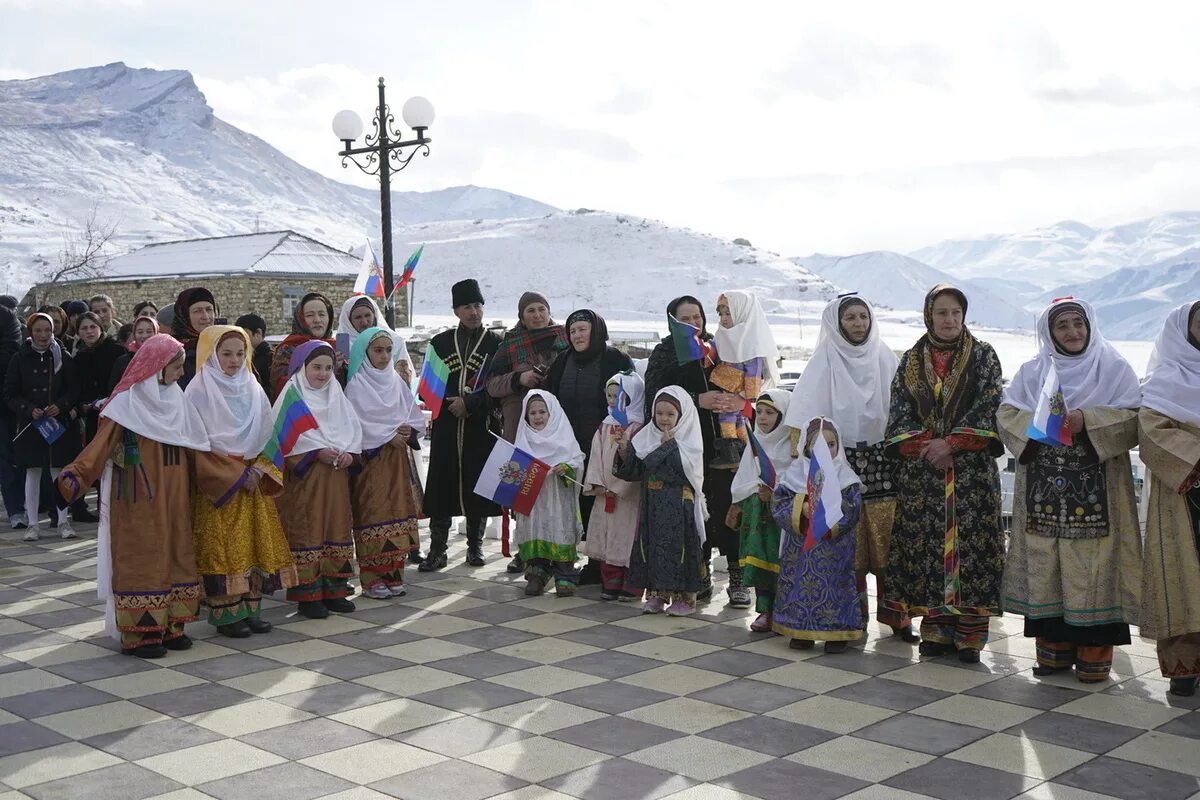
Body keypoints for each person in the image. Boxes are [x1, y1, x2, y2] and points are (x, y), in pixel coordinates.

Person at [56, 334, 247, 658]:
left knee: (176, 551)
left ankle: (172, 625)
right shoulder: (127, 405)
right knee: (142, 555)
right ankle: (141, 634)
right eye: (174, 366)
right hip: (136, 496)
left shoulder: (179, 401)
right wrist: (74, 476)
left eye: (180, 366)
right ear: (155, 366)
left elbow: (196, 450)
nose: (179, 372)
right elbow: (100, 447)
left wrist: (229, 473)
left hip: (175, 496)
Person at [1000, 298, 1142, 683]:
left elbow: (1133, 416)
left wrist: (1087, 420)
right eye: (1062, 326)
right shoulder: (1033, 372)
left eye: (1078, 323)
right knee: (1048, 569)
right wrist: (1044, 423)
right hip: (1043, 491)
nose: (1072, 332)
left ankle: (1094, 657)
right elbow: (1007, 414)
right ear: (1049, 332)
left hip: (1099, 490)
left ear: (1090, 325)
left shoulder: (1113, 369)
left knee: (1094, 569)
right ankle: (1053, 653)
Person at [882, 285, 1005, 663]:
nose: (949, 320)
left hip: (970, 471)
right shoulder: (911, 360)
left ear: (964, 315)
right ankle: (935, 628)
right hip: (924, 474)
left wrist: (952, 443)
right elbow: (899, 411)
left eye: (955, 313)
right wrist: (926, 446)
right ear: (928, 316)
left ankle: (970, 634)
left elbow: (988, 405)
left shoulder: (983, 355)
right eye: (941, 313)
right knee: (927, 546)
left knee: (972, 548)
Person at [785, 294, 915, 642]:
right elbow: (804, 420)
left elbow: (903, 409)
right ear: (836, 323)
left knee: (890, 538)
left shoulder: (884, 357)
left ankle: (897, 617)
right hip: (837, 466)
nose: (858, 324)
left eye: (863, 317)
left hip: (885, 463)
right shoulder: (823, 363)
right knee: (847, 541)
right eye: (850, 318)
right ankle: (850, 619)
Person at [185, 326, 297, 638]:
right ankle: (226, 614)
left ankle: (251, 609)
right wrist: (234, 473)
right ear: (211, 355)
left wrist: (259, 470)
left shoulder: (253, 387)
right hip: (219, 485)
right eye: (226, 354)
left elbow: (268, 434)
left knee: (254, 545)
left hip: (253, 482)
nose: (234, 360)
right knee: (221, 548)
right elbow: (196, 443)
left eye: (240, 353)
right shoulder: (198, 391)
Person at [644, 296, 745, 607]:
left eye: (697, 317)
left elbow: (746, 384)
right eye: (684, 318)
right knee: (692, 511)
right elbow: (653, 396)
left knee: (729, 506)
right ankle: (697, 576)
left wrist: (738, 402)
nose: (693, 323)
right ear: (672, 321)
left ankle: (738, 578)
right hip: (685, 446)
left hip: (725, 444)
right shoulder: (664, 353)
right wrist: (696, 400)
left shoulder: (719, 346)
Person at [271, 341, 363, 619]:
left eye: (328, 368)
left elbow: (352, 431)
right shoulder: (292, 397)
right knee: (308, 530)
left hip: (335, 479)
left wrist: (350, 454)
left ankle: (334, 590)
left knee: (335, 527)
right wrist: (315, 452)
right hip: (306, 482)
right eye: (316, 368)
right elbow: (281, 440)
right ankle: (308, 595)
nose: (323, 374)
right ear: (302, 368)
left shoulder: (337, 397)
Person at [1138, 302, 1200, 697]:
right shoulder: (1165, 379)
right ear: (1185, 328)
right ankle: (1184, 667)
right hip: (1182, 492)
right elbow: (1150, 430)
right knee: (1180, 576)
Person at [419, 279, 502, 571]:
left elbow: (501, 387)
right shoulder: (439, 343)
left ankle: (475, 547)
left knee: (479, 486)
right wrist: (448, 402)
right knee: (442, 485)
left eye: (478, 305)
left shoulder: (496, 344)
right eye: (467, 306)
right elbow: (426, 388)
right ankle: (438, 549)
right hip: (446, 427)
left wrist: (472, 404)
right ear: (456, 310)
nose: (474, 312)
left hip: (482, 427)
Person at [487, 291, 568, 574]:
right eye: (531, 310)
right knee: (520, 491)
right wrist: (519, 378)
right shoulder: (510, 344)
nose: (537, 315)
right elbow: (491, 385)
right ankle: (525, 550)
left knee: (554, 490)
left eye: (541, 309)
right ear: (521, 315)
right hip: (518, 427)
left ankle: (558, 549)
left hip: (555, 429)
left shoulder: (564, 338)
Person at [344, 327, 426, 598]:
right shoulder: (357, 386)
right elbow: (355, 424)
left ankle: (394, 573)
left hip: (397, 462)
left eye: (388, 350)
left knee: (398, 512)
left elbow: (413, 416)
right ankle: (371, 579)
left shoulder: (395, 381)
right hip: (372, 463)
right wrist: (388, 436)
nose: (383, 356)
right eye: (377, 350)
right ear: (364, 353)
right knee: (373, 512)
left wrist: (406, 431)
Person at [771, 417, 864, 652]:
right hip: (800, 547)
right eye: (818, 445)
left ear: (838, 446)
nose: (825, 450)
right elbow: (779, 503)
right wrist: (800, 506)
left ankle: (837, 632)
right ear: (805, 446)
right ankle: (799, 628)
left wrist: (828, 512)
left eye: (831, 444)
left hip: (834, 548)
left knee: (836, 586)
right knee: (798, 584)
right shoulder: (795, 475)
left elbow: (852, 508)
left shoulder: (846, 476)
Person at [615, 386, 707, 616]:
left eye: (670, 414)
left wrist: (668, 448)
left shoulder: (689, 441)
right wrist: (625, 449)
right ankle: (657, 594)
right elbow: (635, 471)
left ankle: (685, 598)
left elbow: (683, 473)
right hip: (652, 505)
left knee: (680, 549)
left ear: (682, 416)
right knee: (652, 547)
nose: (664, 419)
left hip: (679, 506)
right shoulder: (646, 436)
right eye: (659, 414)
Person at [4, 313, 82, 541]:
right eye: (38, 330)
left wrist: (61, 405)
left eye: (47, 330)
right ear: (30, 331)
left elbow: (74, 389)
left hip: (57, 422)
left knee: (59, 472)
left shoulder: (63, 357)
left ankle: (63, 521)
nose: (43, 335)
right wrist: (28, 409)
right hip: (31, 424)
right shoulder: (19, 358)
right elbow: (10, 393)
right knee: (33, 472)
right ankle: (33, 524)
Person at [729, 389, 794, 632]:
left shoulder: (792, 448)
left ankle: (784, 612)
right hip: (757, 520)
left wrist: (775, 491)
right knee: (760, 564)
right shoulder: (754, 445)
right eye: (760, 412)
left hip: (782, 522)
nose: (763, 418)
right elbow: (742, 481)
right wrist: (751, 492)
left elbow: (796, 481)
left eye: (770, 412)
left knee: (782, 565)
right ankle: (765, 611)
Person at [511, 390, 586, 596]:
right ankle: (537, 573)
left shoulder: (563, 435)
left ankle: (564, 574)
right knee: (536, 532)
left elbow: (577, 460)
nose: (537, 417)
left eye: (542, 411)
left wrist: (566, 468)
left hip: (558, 498)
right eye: (532, 413)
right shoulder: (523, 437)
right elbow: (514, 468)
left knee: (560, 530)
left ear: (552, 412)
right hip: (534, 501)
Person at [581, 371, 646, 601]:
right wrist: (597, 483)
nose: (612, 401)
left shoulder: (639, 428)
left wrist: (619, 487)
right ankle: (610, 580)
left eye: (617, 396)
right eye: (609, 396)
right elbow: (596, 455)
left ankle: (632, 582)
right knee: (606, 536)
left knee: (626, 537)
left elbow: (636, 463)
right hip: (604, 493)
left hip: (627, 497)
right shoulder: (604, 426)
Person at [709, 290, 780, 468]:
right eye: (721, 314)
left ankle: (732, 452)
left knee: (728, 418)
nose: (724, 319)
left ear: (741, 313)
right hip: (725, 385)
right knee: (737, 420)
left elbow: (754, 372)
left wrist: (746, 396)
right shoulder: (722, 334)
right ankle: (744, 449)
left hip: (738, 392)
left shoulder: (751, 340)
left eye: (729, 313)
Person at [270, 293, 337, 400]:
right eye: (310, 315)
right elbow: (281, 387)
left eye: (322, 314)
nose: (317, 320)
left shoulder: (334, 347)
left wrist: (339, 367)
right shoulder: (288, 349)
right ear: (300, 319)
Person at [73, 312, 126, 442]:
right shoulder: (78, 358)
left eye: (93, 327)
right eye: (84, 328)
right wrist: (82, 405)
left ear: (100, 328)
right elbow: (77, 387)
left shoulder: (117, 351)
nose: (89, 331)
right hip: (93, 417)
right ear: (78, 332)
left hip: (117, 414)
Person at [0, 303, 26, 529]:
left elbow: (9, 353)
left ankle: (16, 509)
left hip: (3, 401)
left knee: (6, 457)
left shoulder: (5, 316)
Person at [171, 287, 218, 388]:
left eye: (209, 309)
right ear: (184, 315)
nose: (205, 316)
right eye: (197, 311)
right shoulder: (173, 351)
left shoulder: (223, 343)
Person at [109, 316, 159, 393]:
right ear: (134, 335)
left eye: (149, 331)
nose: (144, 336)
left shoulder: (163, 358)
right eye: (140, 332)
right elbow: (114, 388)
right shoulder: (123, 361)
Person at [235, 313, 273, 397]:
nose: (240, 338)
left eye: (244, 334)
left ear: (258, 333)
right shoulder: (243, 357)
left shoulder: (270, 359)